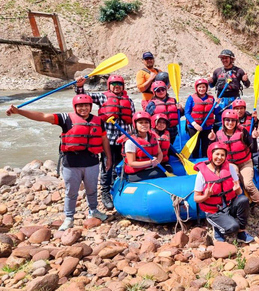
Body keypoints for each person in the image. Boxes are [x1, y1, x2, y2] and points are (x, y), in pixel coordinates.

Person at [6, 95, 110, 231]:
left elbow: (104, 140)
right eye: (80, 106)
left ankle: (94, 210)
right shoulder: (65, 118)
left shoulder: (98, 121)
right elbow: (42, 116)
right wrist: (19, 111)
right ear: (75, 107)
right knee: (71, 192)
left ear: (91, 106)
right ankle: (69, 217)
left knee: (92, 190)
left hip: (92, 162)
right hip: (71, 163)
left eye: (86, 105)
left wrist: (109, 157)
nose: (83, 108)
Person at [75, 74, 135, 210]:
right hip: (107, 140)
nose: (117, 86)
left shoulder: (129, 100)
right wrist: (79, 86)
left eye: (119, 84)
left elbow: (132, 120)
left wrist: (134, 136)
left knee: (120, 167)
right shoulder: (103, 97)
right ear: (109, 86)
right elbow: (84, 98)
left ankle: (118, 189)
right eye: (114, 84)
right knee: (107, 166)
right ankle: (105, 192)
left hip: (124, 140)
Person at [209, 110, 259, 218]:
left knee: (248, 184)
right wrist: (211, 141)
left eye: (233, 120)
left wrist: (254, 138)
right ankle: (235, 206)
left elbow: (253, 149)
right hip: (231, 164)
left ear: (236, 122)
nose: (230, 123)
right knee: (233, 180)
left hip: (245, 162)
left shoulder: (242, 132)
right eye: (227, 120)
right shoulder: (218, 135)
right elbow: (214, 152)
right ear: (223, 121)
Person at [194, 142, 254, 243]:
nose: (219, 157)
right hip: (214, 211)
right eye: (217, 154)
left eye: (222, 155)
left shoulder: (230, 168)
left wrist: (237, 189)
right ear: (211, 155)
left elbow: (239, 191)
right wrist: (206, 195)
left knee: (243, 199)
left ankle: (241, 232)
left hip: (229, 205)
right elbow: (196, 198)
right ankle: (218, 228)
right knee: (233, 227)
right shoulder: (201, 174)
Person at [118, 111, 164, 182]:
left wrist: (158, 161)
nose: (144, 125)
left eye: (146, 122)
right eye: (141, 123)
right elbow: (131, 163)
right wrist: (150, 162)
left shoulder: (153, 137)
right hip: (136, 172)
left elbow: (160, 153)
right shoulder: (130, 141)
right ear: (135, 125)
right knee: (159, 173)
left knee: (166, 170)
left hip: (150, 168)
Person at [184, 78, 220, 158]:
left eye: (203, 87)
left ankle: (205, 161)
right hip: (193, 127)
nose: (201, 89)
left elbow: (216, 112)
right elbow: (187, 113)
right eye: (199, 87)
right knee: (195, 147)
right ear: (196, 88)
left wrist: (217, 104)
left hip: (207, 127)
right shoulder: (191, 98)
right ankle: (195, 160)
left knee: (206, 147)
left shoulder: (211, 98)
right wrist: (195, 124)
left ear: (206, 88)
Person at [145, 80, 184, 145]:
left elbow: (180, 114)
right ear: (154, 92)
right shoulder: (152, 104)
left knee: (168, 148)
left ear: (166, 90)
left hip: (172, 131)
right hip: (159, 132)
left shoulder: (173, 100)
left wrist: (181, 109)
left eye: (163, 89)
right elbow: (147, 118)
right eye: (158, 90)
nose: (161, 92)